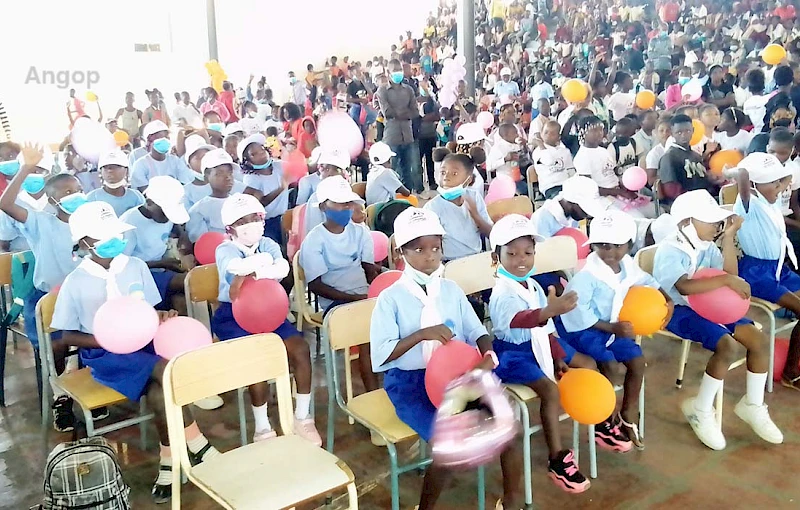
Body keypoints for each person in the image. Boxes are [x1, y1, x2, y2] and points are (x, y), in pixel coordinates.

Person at [51, 201, 220, 503]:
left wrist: (162, 315)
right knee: (168, 372)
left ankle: (170, 459)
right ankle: (196, 443)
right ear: (85, 242)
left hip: (145, 344)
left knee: (160, 390)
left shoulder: (135, 266)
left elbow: (150, 310)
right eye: (105, 237)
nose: (116, 242)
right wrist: (109, 339)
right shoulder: (75, 283)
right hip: (106, 355)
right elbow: (66, 335)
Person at [370, 207, 523, 509]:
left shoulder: (451, 290)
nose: (430, 256)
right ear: (401, 251)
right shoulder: (391, 298)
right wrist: (420, 334)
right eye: (419, 249)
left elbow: (478, 331)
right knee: (445, 443)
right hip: (411, 382)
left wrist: (488, 354)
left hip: (460, 377)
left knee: (507, 428)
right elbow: (382, 355)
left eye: (435, 248)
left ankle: (513, 499)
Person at [653, 190, 782, 450]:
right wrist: (725, 280)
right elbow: (685, 287)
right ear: (686, 223)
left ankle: (752, 404)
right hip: (675, 311)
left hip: (710, 306)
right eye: (711, 221)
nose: (717, 226)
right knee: (727, 345)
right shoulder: (670, 250)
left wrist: (729, 238)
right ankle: (700, 409)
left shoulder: (707, 245)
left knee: (758, 340)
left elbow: (729, 274)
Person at [488, 214, 591, 493]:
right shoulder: (501, 291)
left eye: (528, 252)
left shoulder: (532, 285)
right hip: (512, 354)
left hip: (536, 347)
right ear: (496, 258)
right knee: (549, 390)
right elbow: (519, 319)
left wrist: (556, 354)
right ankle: (557, 458)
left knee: (583, 365)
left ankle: (603, 423)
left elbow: (545, 331)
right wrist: (547, 312)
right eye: (511, 253)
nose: (521, 259)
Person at [210, 193, 320, 444]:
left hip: (269, 311)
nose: (252, 224)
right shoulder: (224, 248)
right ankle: (262, 426)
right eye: (243, 221)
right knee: (259, 358)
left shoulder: (267, 242)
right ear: (230, 229)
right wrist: (262, 268)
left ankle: (302, 416)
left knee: (300, 348)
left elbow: (282, 268)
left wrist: (252, 272)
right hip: (233, 315)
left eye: (255, 218)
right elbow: (234, 270)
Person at [557, 210, 672, 450]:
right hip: (584, 331)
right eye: (602, 246)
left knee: (638, 361)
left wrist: (667, 300)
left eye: (616, 246)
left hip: (611, 329)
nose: (609, 253)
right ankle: (603, 420)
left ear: (629, 245)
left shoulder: (628, 266)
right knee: (609, 365)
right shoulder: (587, 276)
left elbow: (647, 281)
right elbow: (578, 313)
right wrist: (611, 327)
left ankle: (627, 413)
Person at [0, 144, 87, 431]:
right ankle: (61, 395)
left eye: (77, 190)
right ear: (51, 199)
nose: (74, 196)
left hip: (82, 295)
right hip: (46, 297)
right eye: (66, 192)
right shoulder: (42, 222)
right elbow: (6, 203)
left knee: (89, 337)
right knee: (55, 347)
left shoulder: (89, 223)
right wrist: (26, 167)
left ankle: (86, 387)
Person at [299, 176, 379, 391]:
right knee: (367, 339)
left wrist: (378, 288)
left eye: (349, 203)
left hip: (364, 297)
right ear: (324, 206)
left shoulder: (360, 232)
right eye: (340, 203)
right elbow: (315, 286)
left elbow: (369, 269)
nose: (346, 208)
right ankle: (373, 392)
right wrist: (355, 299)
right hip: (336, 305)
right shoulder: (315, 240)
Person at [728, 153, 800, 391]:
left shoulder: (770, 200)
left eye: (780, 182)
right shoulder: (748, 203)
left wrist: (778, 174)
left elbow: (787, 176)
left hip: (779, 269)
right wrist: (735, 172)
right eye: (774, 183)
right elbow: (742, 178)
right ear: (754, 185)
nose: (781, 187)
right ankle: (791, 373)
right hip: (756, 273)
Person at [121, 176, 190, 312]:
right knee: (189, 282)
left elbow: (175, 224)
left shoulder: (165, 216)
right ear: (149, 202)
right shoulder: (129, 224)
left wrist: (182, 235)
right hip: (140, 276)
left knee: (181, 302)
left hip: (163, 268)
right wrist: (162, 264)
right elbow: (122, 265)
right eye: (166, 213)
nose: (168, 218)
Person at [424, 153, 492, 262]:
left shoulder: (474, 197)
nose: (446, 177)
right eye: (443, 172)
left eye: (454, 173)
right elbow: (430, 246)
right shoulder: (432, 207)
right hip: (449, 263)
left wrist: (475, 215)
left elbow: (490, 233)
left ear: (468, 179)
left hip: (476, 257)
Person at [376, 59, 423, 193]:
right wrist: (404, 112)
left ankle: (407, 198)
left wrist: (398, 113)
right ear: (388, 73)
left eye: (399, 71)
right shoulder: (382, 91)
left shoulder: (408, 90)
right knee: (392, 172)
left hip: (408, 135)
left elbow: (415, 112)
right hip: (392, 136)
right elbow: (387, 113)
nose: (398, 74)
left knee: (409, 170)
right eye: (395, 71)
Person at [239, 134, 289, 244]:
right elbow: (259, 203)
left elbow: (298, 168)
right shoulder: (251, 178)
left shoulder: (278, 166)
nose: (261, 153)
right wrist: (281, 188)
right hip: (267, 223)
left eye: (262, 149)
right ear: (247, 161)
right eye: (254, 154)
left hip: (285, 217)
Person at [659, 114, 719, 203]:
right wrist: (696, 200)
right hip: (686, 203)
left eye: (687, 131)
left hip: (705, 198)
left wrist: (716, 180)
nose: (683, 135)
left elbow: (703, 182)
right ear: (672, 133)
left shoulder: (696, 155)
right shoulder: (669, 157)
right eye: (679, 132)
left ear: (693, 131)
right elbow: (671, 190)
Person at [529, 175, 610, 238]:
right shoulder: (543, 219)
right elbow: (542, 253)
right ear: (571, 202)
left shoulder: (572, 215)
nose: (586, 215)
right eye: (584, 210)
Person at [187, 149, 236, 243]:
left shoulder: (239, 203)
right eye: (219, 173)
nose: (228, 177)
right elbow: (202, 245)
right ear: (206, 177)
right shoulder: (198, 210)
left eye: (230, 173)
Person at [130, 121, 194, 191]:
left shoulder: (175, 161)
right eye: (161, 138)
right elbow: (143, 189)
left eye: (167, 137)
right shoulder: (141, 164)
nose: (166, 141)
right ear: (150, 140)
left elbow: (184, 182)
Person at [87, 150, 145, 217]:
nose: (110, 170)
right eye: (105, 167)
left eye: (116, 166)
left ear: (126, 170)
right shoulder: (91, 198)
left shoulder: (136, 197)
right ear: (100, 171)